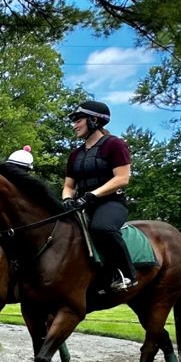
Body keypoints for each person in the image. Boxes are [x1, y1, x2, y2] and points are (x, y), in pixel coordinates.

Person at [61, 100, 137, 291]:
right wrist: (67, 199)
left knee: (101, 228)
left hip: (111, 202)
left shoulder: (115, 145)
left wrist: (92, 195)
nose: (74, 125)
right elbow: (69, 186)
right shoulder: (74, 155)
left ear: (94, 120)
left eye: (78, 120)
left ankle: (127, 274)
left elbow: (122, 179)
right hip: (82, 204)